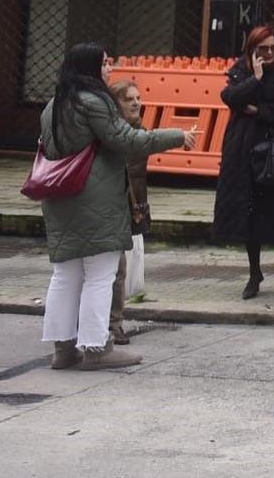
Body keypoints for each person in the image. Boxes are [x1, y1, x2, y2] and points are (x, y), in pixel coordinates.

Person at [38, 44, 192, 370]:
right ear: (90, 68)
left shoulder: (53, 106)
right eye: (105, 64)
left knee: (65, 274)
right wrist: (175, 136)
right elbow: (127, 140)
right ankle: (97, 348)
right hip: (95, 200)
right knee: (100, 275)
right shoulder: (95, 103)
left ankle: (63, 349)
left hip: (60, 198)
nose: (109, 69)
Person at [215, 24, 274, 300]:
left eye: (272, 48)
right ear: (252, 50)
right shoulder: (242, 69)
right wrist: (254, 79)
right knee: (249, 214)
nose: (268, 53)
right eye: (262, 49)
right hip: (244, 150)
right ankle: (254, 274)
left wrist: (259, 110)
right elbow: (230, 98)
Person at [106, 78, 155, 347]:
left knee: (120, 270)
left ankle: (114, 323)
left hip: (132, 204)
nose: (136, 102)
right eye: (129, 99)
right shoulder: (114, 134)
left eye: (138, 98)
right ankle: (112, 325)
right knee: (115, 270)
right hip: (113, 207)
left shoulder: (139, 130)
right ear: (116, 104)